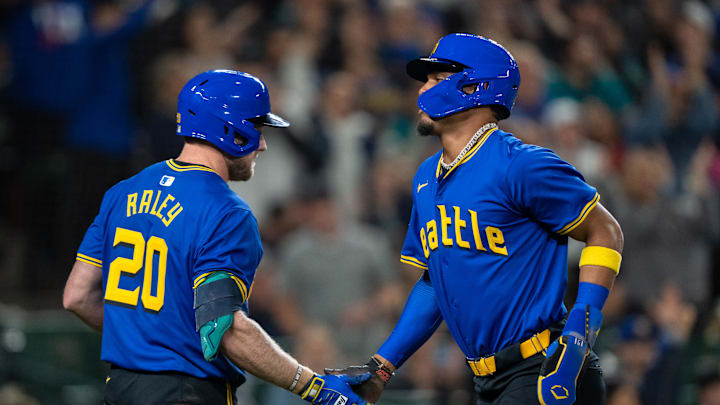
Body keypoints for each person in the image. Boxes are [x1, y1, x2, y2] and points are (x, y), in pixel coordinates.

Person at [326, 34, 624, 405]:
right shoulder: (424, 176)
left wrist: (582, 329)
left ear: (474, 86)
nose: (422, 90)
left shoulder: (521, 164)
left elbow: (605, 231)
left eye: (435, 78)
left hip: (545, 369)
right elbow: (436, 281)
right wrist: (382, 367)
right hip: (485, 381)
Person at [62, 69, 368, 405]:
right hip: (186, 393)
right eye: (257, 127)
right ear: (230, 129)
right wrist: (313, 386)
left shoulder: (122, 192)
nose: (262, 144)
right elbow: (226, 329)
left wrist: (140, 340)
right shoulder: (228, 214)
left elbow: (76, 296)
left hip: (120, 388)